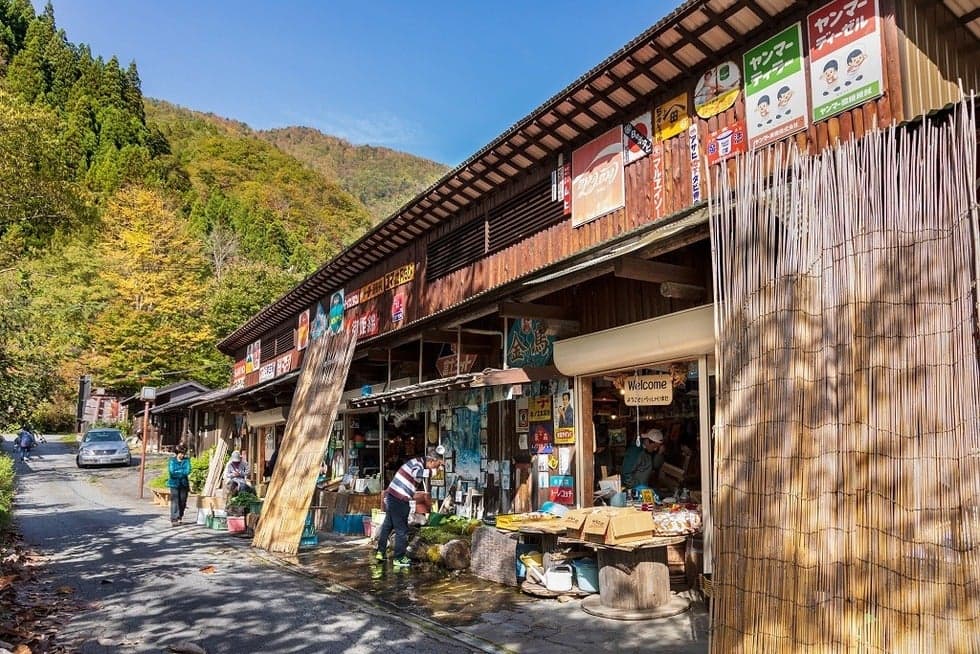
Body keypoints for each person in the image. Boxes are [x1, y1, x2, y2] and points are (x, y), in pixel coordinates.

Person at [374, 447, 444, 568]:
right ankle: (399, 558)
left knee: (387, 526)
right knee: (402, 530)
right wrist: (435, 472)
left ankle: (380, 552)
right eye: (436, 465)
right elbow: (416, 473)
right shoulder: (418, 464)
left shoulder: (416, 462)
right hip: (399, 499)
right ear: (432, 461)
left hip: (392, 496)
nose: (436, 467)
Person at [167, 446, 191, 526]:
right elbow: (172, 472)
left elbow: (187, 471)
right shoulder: (172, 461)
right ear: (177, 453)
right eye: (181, 453)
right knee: (175, 501)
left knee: (183, 501)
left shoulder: (187, 460)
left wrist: (179, 472)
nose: (182, 455)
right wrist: (181, 473)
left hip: (184, 484)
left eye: (183, 454)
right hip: (174, 484)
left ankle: (180, 516)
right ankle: (174, 518)